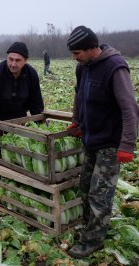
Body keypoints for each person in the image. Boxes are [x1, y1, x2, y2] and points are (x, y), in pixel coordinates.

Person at [65, 25, 139, 259]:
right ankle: (90, 227)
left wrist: (127, 144)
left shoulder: (115, 68)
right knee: (85, 187)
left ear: (90, 48)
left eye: (77, 53)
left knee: (100, 193)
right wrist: (77, 122)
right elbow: (80, 96)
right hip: (90, 139)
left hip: (110, 143)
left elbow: (129, 108)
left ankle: (93, 241)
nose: (74, 58)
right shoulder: (83, 67)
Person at [0, 42, 44, 201]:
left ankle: (12, 185)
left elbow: (36, 102)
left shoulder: (31, 74)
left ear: (25, 61)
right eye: (10, 59)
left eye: (18, 60)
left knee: (16, 149)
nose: (13, 64)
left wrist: (41, 127)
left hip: (17, 116)